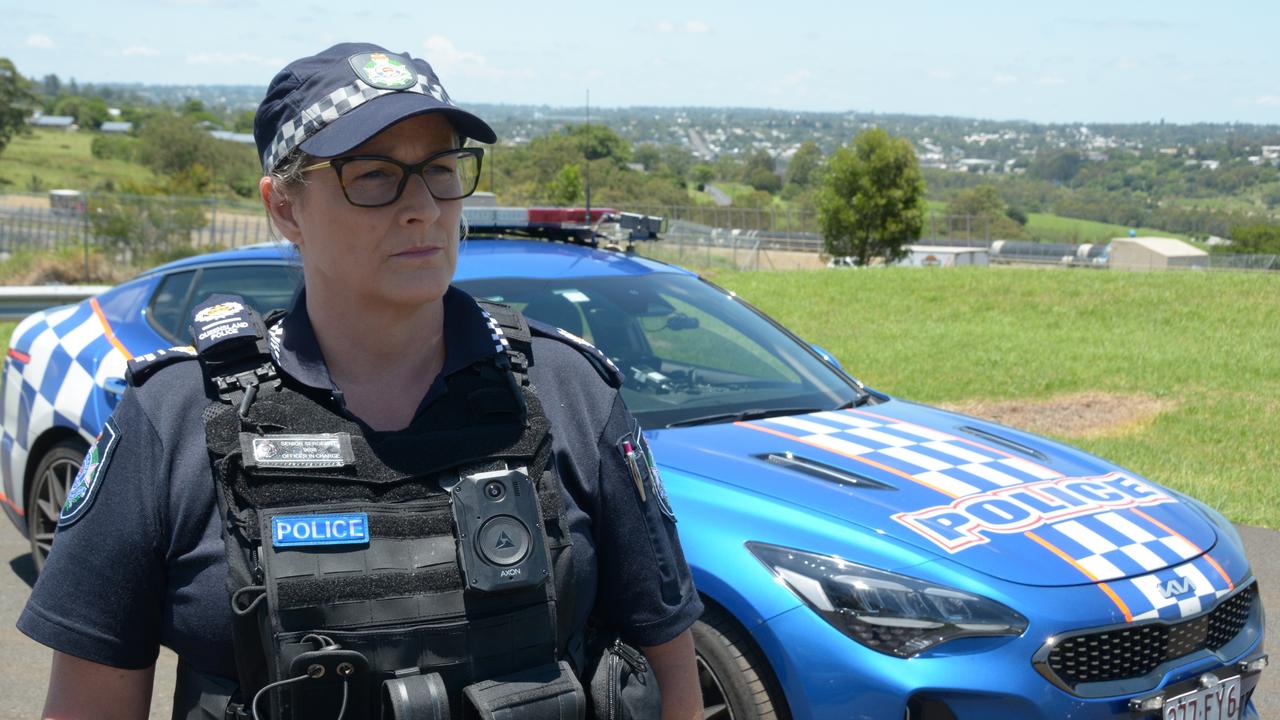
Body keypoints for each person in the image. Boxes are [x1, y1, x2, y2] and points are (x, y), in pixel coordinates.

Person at [18, 42, 703, 720]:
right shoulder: (172, 422)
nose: (423, 208)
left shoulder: (568, 395)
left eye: (440, 169)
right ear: (285, 207)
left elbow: (672, 682)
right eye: (372, 175)